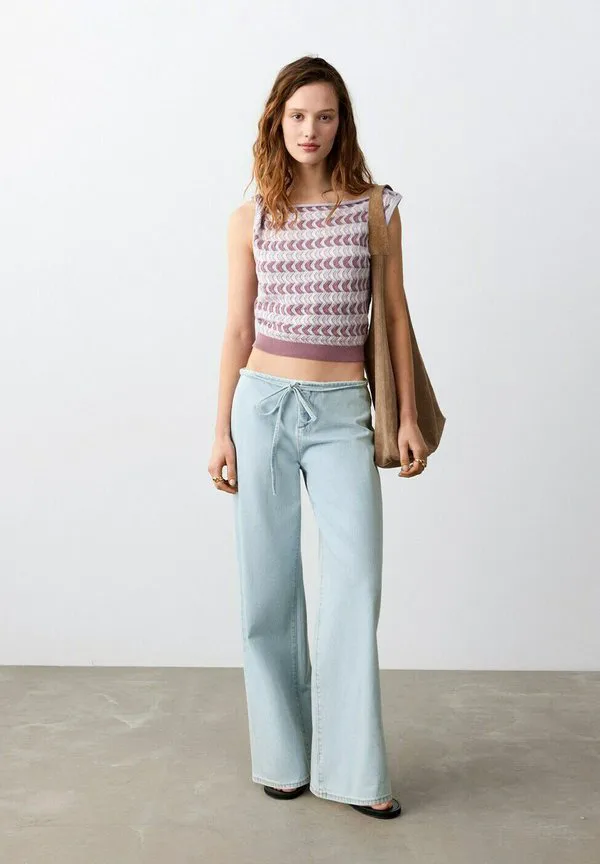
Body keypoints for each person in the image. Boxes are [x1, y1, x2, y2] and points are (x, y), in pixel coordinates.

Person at [209, 55, 428, 821]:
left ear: (342, 124)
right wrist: (220, 430)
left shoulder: (376, 209)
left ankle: (356, 772)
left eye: (325, 116)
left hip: (343, 414)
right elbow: (237, 330)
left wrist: (404, 418)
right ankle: (282, 758)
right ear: (278, 120)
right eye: (298, 115)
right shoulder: (250, 217)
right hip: (263, 407)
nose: (310, 129)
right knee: (267, 588)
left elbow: (394, 318)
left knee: (355, 585)